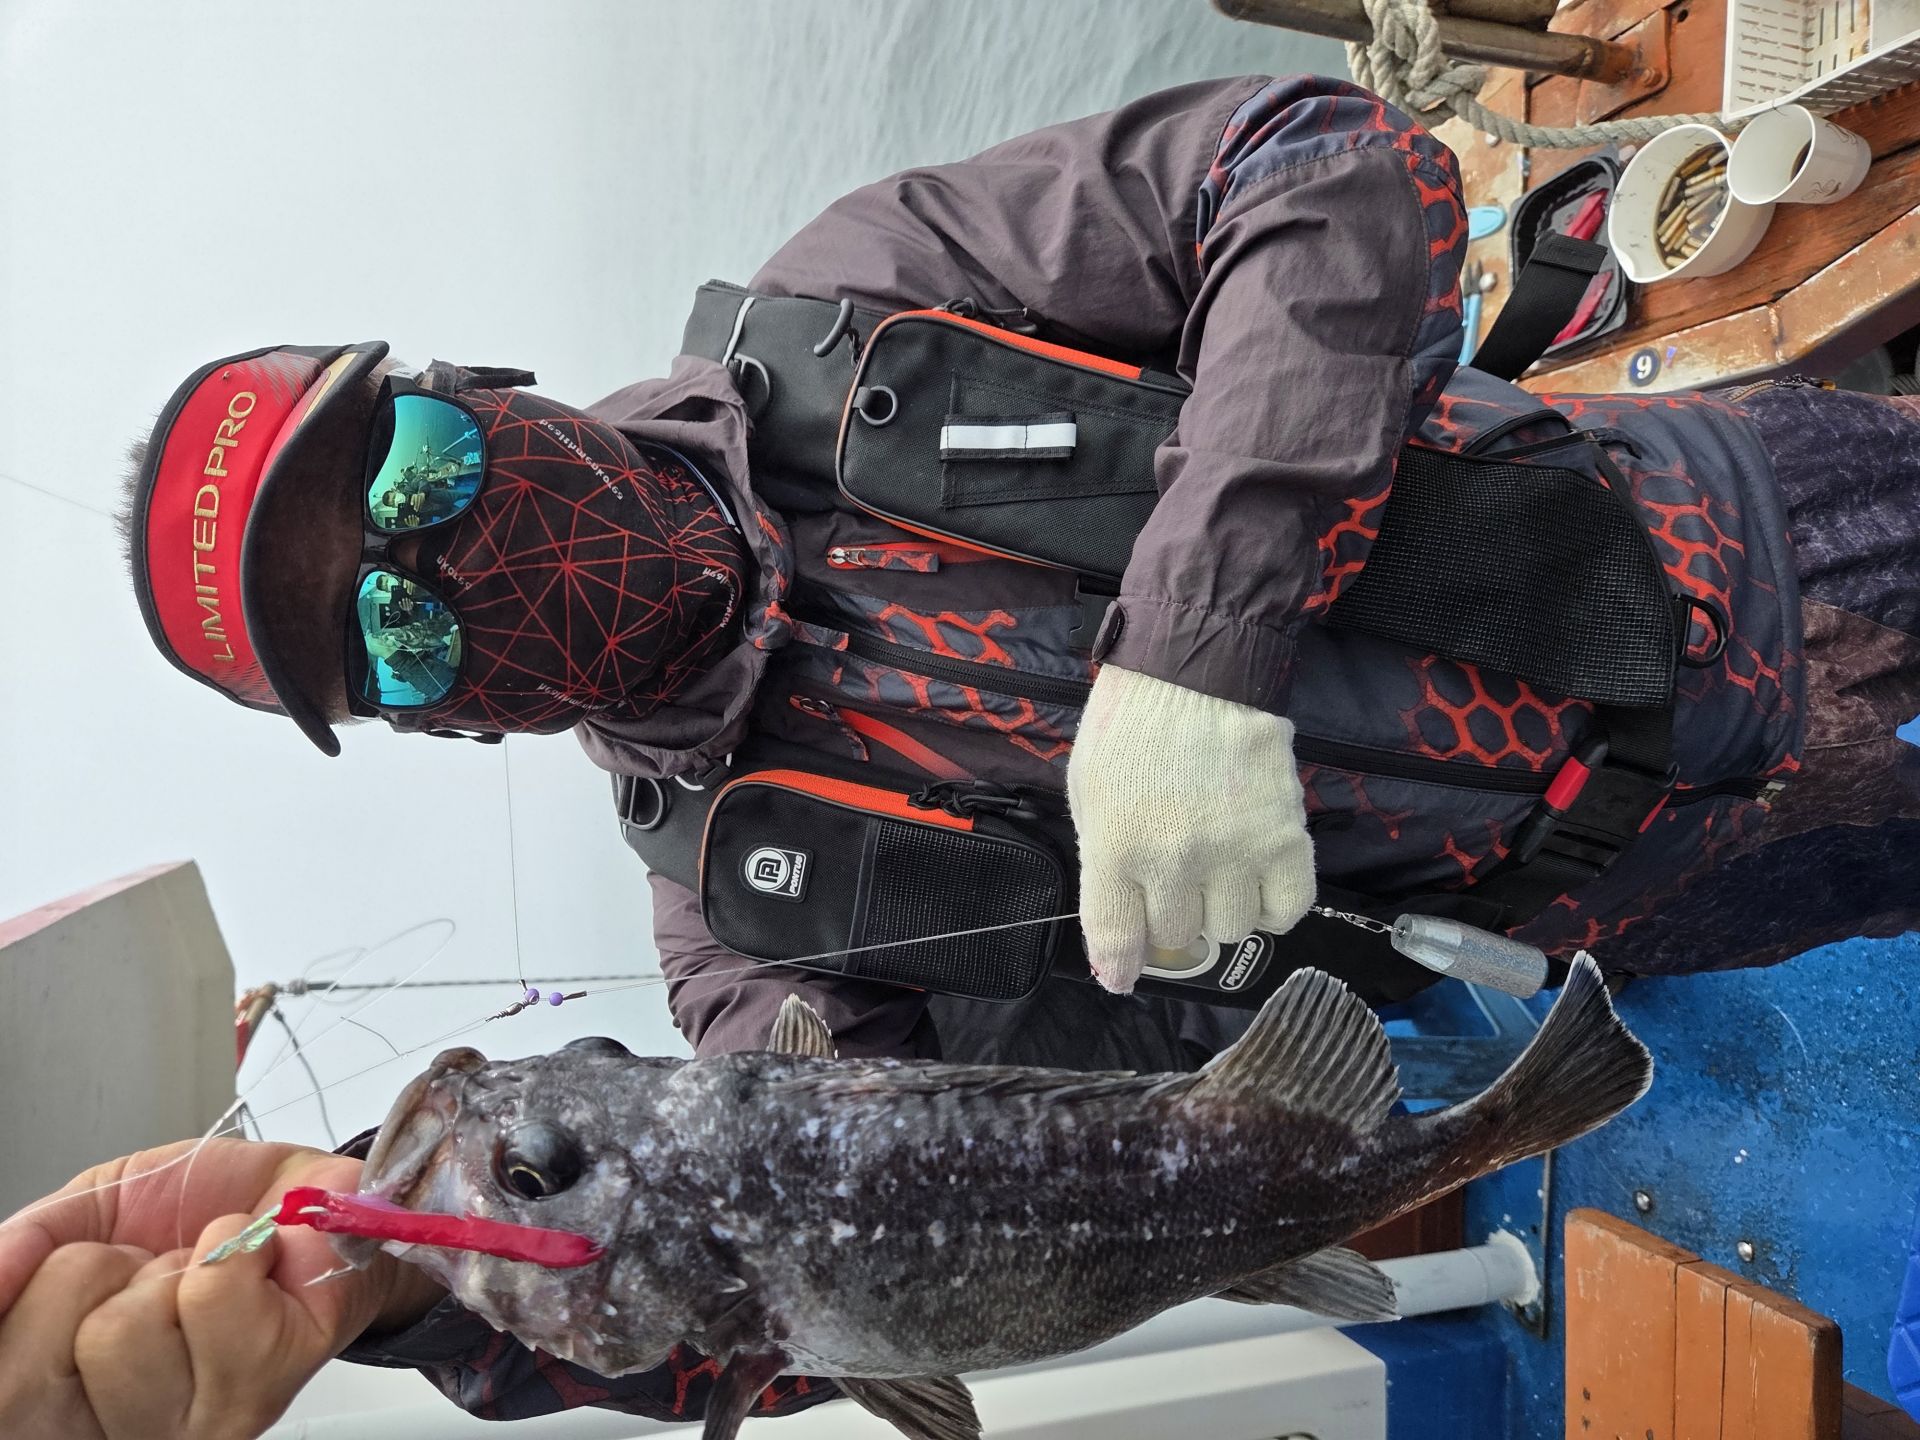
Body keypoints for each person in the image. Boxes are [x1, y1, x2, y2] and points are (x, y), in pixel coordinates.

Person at [5, 72, 1916, 1436]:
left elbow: (1333, 163)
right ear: (447, 725)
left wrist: (1198, 652)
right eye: (396, 636)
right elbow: (761, 1285)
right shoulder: (742, 930)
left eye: (417, 472)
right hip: (1665, 882)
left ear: (478, 387)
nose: (454, 569)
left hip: (1746, 531)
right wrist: (393, 1261)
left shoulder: (858, 309)